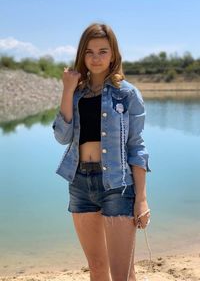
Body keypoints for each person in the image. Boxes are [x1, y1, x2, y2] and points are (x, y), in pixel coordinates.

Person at [52, 23, 151, 281]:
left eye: (103, 51)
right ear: (82, 55)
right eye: (89, 52)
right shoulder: (76, 94)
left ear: (113, 55)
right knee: (96, 268)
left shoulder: (127, 94)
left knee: (122, 274)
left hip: (117, 185)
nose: (96, 58)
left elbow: (137, 147)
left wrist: (141, 198)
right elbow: (62, 137)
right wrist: (67, 89)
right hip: (80, 184)